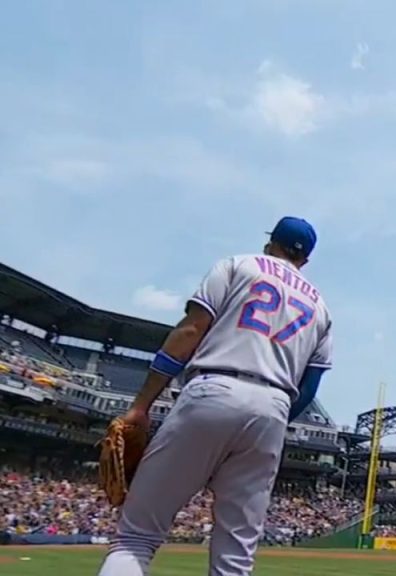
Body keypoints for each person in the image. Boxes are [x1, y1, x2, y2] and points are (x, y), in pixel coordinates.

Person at [96, 216, 334, 576]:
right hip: (273, 408)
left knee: (136, 539)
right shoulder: (321, 308)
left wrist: (141, 406)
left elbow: (191, 330)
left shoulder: (239, 265)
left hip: (213, 388)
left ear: (271, 243)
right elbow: (309, 389)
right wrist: (268, 422)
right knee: (234, 562)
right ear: (306, 260)